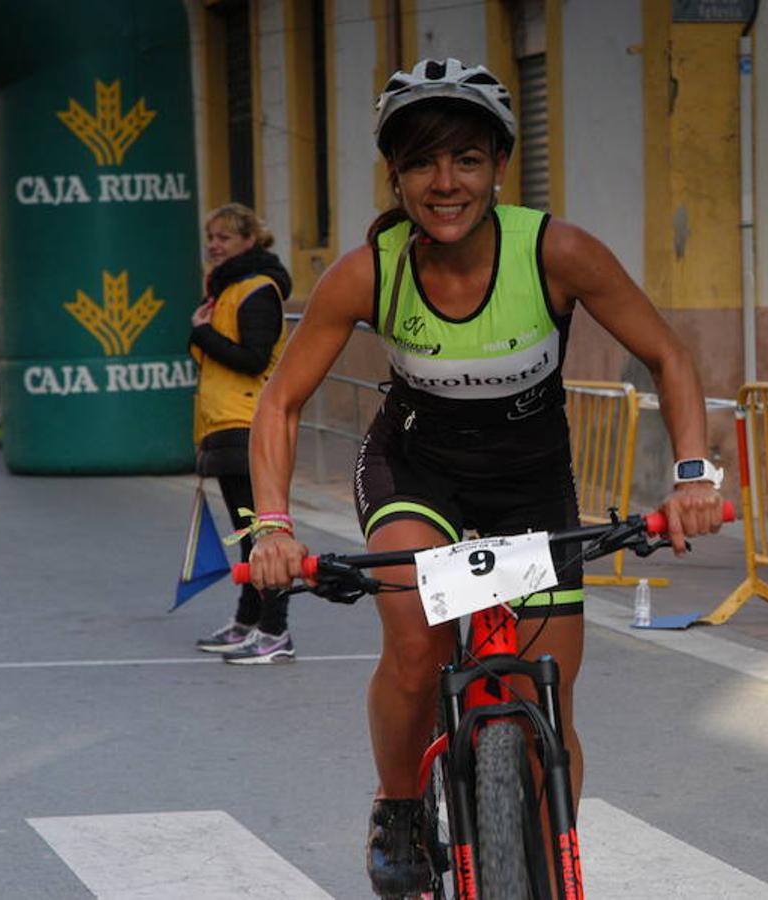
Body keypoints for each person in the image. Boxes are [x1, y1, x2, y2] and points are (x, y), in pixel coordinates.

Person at [244, 58, 726, 896]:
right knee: (416, 642)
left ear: (499, 166)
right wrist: (274, 526)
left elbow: (666, 354)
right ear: (394, 176)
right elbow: (279, 402)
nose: (445, 182)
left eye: (466, 159)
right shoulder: (369, 271)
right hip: (414, 472)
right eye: (423, 162)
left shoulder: (558, 253)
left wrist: (691, 477)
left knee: (549, 700)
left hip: (529, 488)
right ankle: (398, 810)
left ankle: (537, 858)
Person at [190, 203, 296, 664]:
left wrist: (201, 334)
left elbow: (254, 358)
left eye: (225, 237)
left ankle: (275, 632)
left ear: (249, 241)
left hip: (250, 425)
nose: (214, 244)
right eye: (211, 236)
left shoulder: (258, 290)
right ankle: (247, 622)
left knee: (263, 534)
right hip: (225, 425)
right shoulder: (226, 291)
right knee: (245, 534)